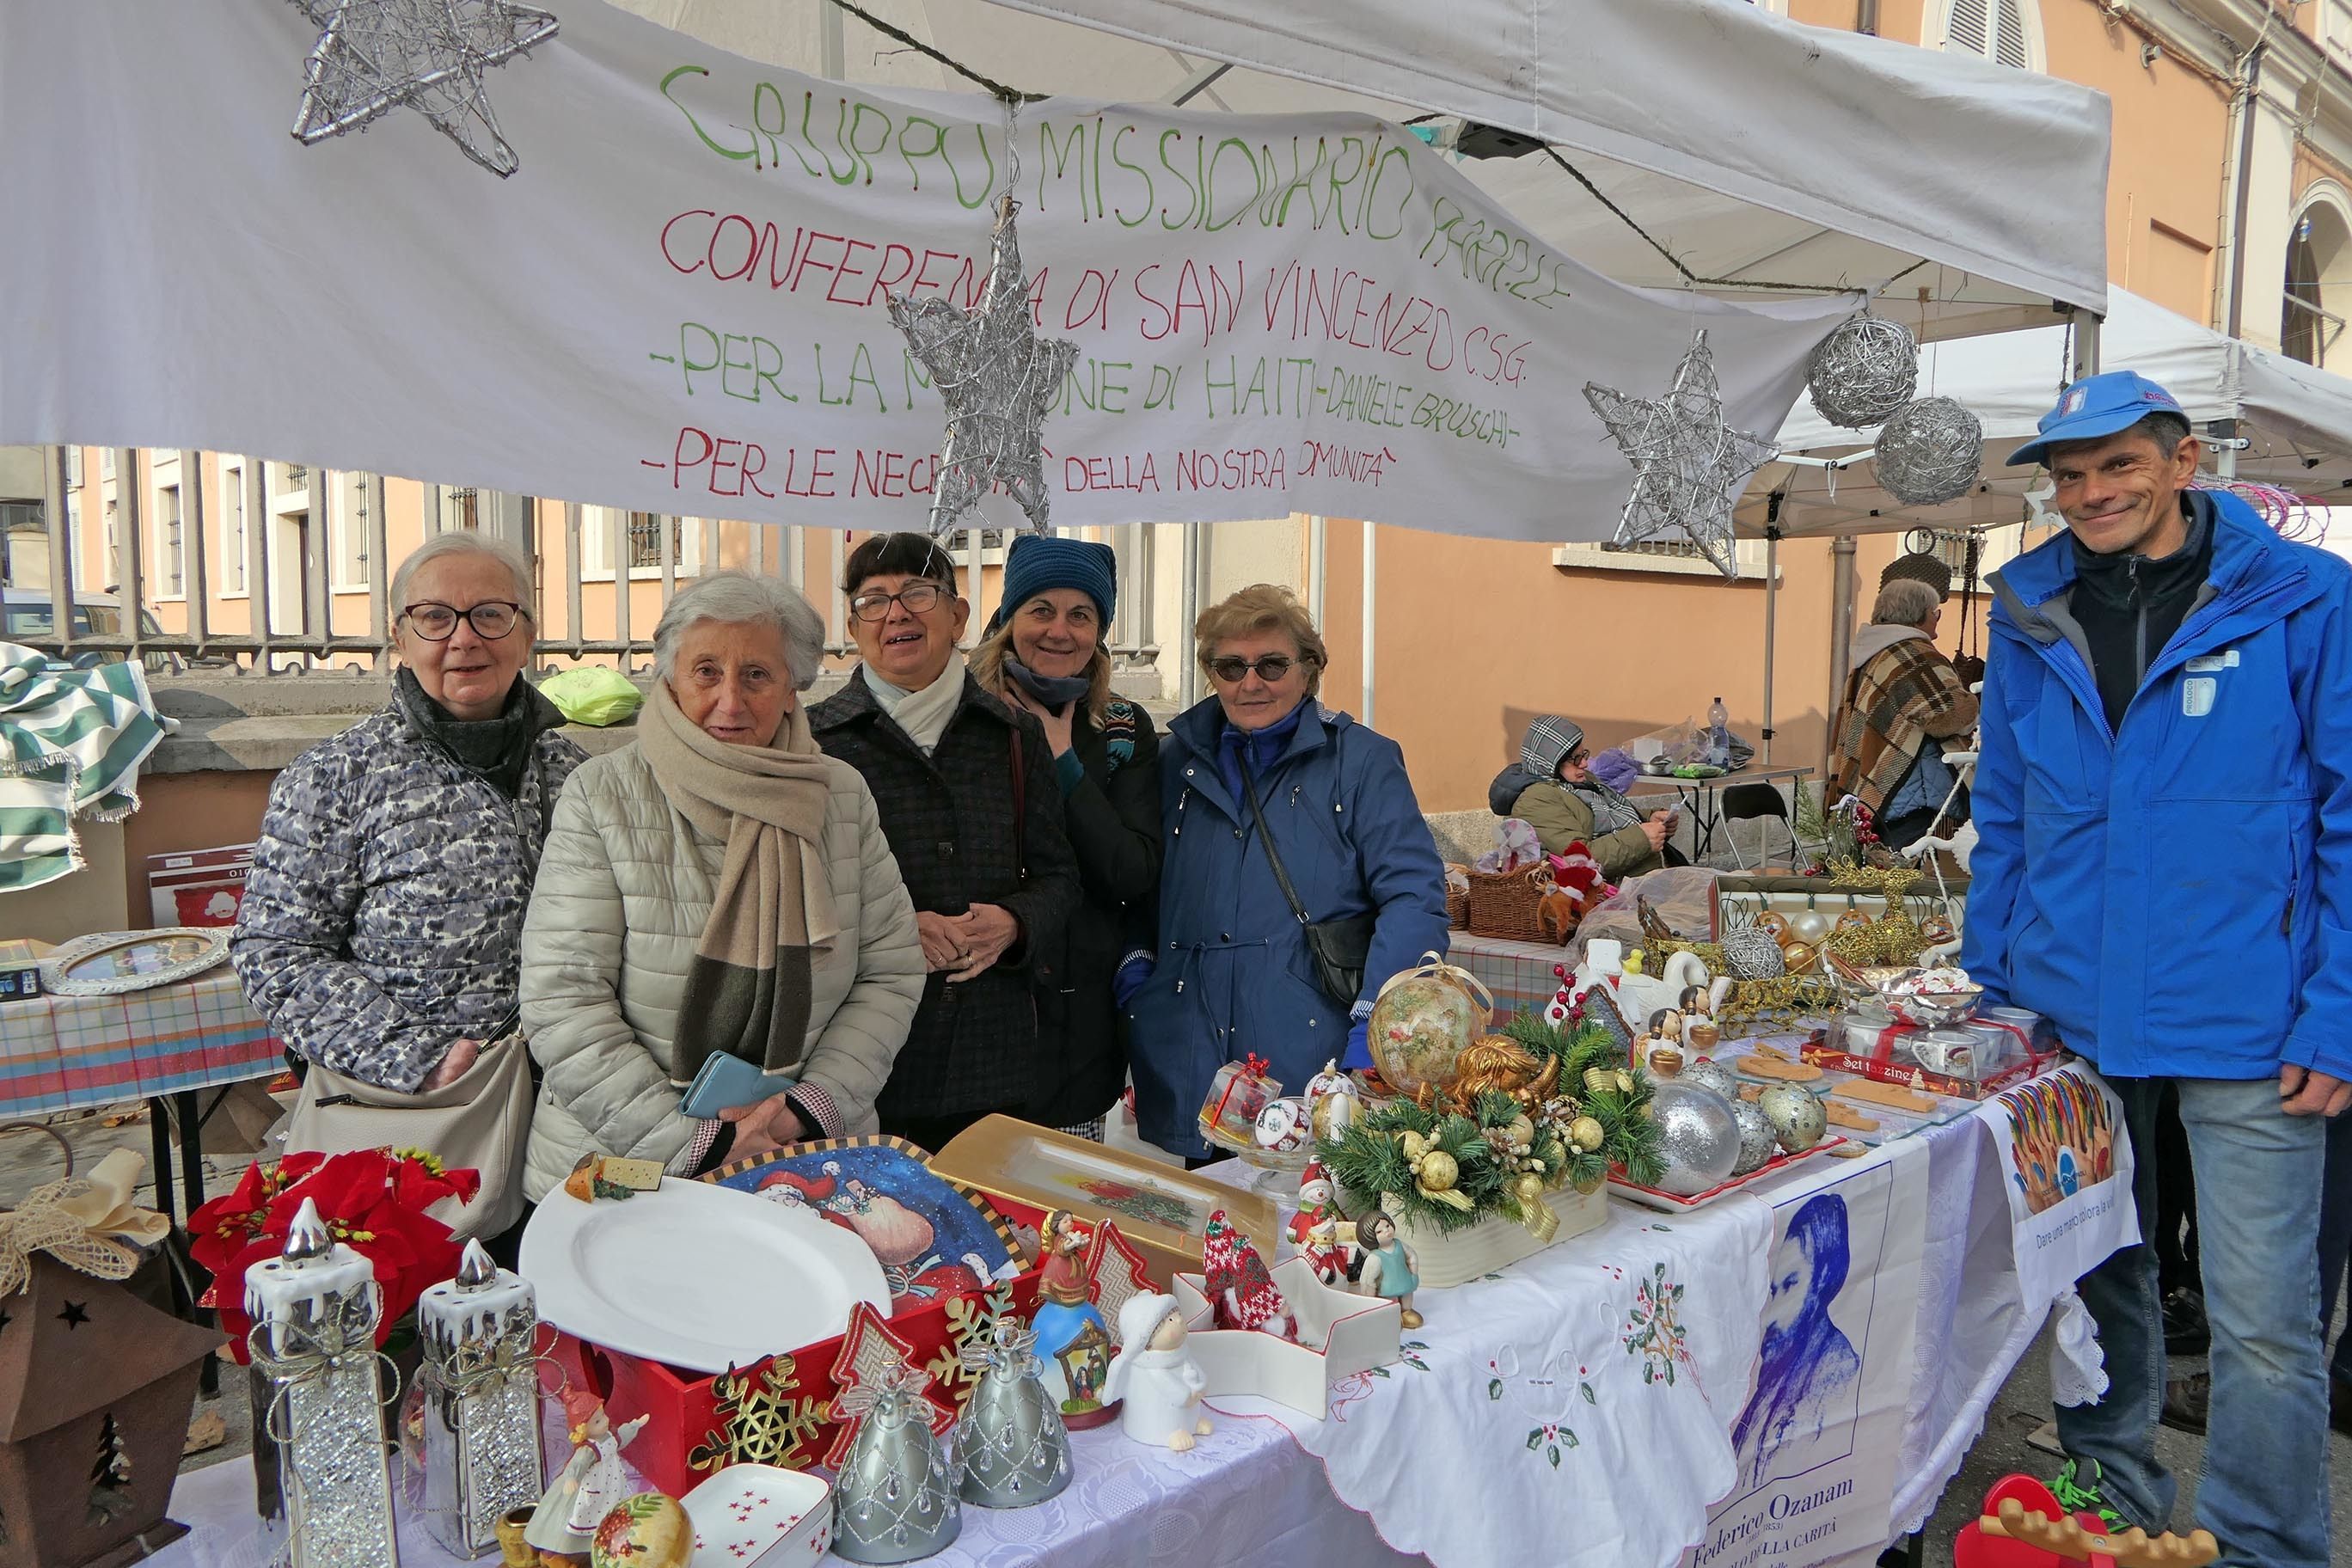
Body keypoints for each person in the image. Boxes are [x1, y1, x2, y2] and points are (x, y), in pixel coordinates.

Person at [1963, 370, 2351, 1568]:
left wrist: (2336, 1016)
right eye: (2071, 475)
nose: (2092, 492)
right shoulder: (2027, 609)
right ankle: (2108, 1502)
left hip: (2252, 1014)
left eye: (2119, 464)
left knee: (2264, 1323)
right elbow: (2012, 811)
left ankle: (2266, 1548)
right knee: (2098, 1278)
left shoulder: (2305, 599)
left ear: (2185, 464)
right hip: (2076, 1011)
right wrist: (1997, 983)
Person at [518, 573, 923, 1194]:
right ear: (671, 679)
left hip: (807, 1155)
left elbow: (889, 971)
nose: (730, 702)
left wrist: (806, 1108)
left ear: (793, 687)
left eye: (757, 675)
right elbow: (563, 998)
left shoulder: (839, 795)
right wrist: (702, 1143)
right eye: (707, 672)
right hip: (631, 1169)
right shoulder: (604, 794)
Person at [233, 532, 583, 1094]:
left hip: (573, 1097)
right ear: (401, 637)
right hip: (422, 1116)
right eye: (435, 617)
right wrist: (414, 1059)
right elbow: (275, 951)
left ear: (528, 637)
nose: (464, 638)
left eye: (491, 615)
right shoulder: (335, 777)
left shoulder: (575, 774)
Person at [1125, 585, 1449, 1161]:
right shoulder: (1174, 761)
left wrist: (1378, 1031)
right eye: (1230, 667)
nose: (1251, 683)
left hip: (1308, 1057)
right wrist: (1139, 976)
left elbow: (1413, 899)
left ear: (1310, 669)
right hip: (1189, 1056)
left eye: (1272, 664)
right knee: (1204, 1238)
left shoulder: (1361, 761)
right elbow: (1134, 877)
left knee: (1308, 1241)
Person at [809, 533, 1081, 1152]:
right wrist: (896, 927)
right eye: (873, 600)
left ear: (958, 615)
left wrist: (1014, 922)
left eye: (918, 593)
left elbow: (1060, 878)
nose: (897, 613)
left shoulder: (1013, 735)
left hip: (993, 1060)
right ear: (854, 626)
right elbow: (792, 893)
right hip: (861, 1065)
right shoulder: (816, 744)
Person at [969, 533, 1161, 1141]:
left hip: (1078, 1035)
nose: (1060, 631)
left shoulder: (1124, 727)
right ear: (1008, 620)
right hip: (972, 1016)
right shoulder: (961, 714)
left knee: (1062, 1225)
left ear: (1098, 631)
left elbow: (1130, 870)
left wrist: (1058, 752)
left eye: (1081, 615)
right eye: (1040, 610)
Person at [1824, 577, 1980, 849]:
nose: (1937, 621)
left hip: (1883, 790)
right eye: (1936, 613)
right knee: (1909, 877)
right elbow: (1948, 716)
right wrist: (1974, 702)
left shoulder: (1874, 652)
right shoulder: (1914, 655)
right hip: (1910, 796)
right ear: (1918, 614)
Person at [1731, 1194, 1860, 1491]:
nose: (1771, 1317)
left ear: (1822, 1279)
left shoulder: (1837, 1370)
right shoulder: (1778, 1365)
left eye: (1791, 1285)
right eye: (1773, 1291)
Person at [1486, 714, 1675, 877]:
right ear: (1551, 763)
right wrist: (1642, 839)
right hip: (1608, 896)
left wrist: (1650, 817)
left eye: (1583, 754)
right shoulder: (1535, 801)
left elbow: (1605, 815)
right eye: (1576, 758)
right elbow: (1581, 858)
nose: (1585, 763)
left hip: (1641, 880)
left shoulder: (1576, 781)